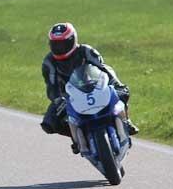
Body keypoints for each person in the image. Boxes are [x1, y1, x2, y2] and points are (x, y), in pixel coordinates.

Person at [40, 22, 139, 153]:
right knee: (49, 124)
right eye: (56, 44)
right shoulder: (49, 62)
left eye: (63, 44)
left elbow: (103, 68)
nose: (60, 47)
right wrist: (58, 100)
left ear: (72, 40)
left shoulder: (86, 51)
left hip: (94, 86)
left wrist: (116, 84)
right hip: (69, 96)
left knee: (123, 93)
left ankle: (126, 121)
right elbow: (51, 87)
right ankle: (77, 138)